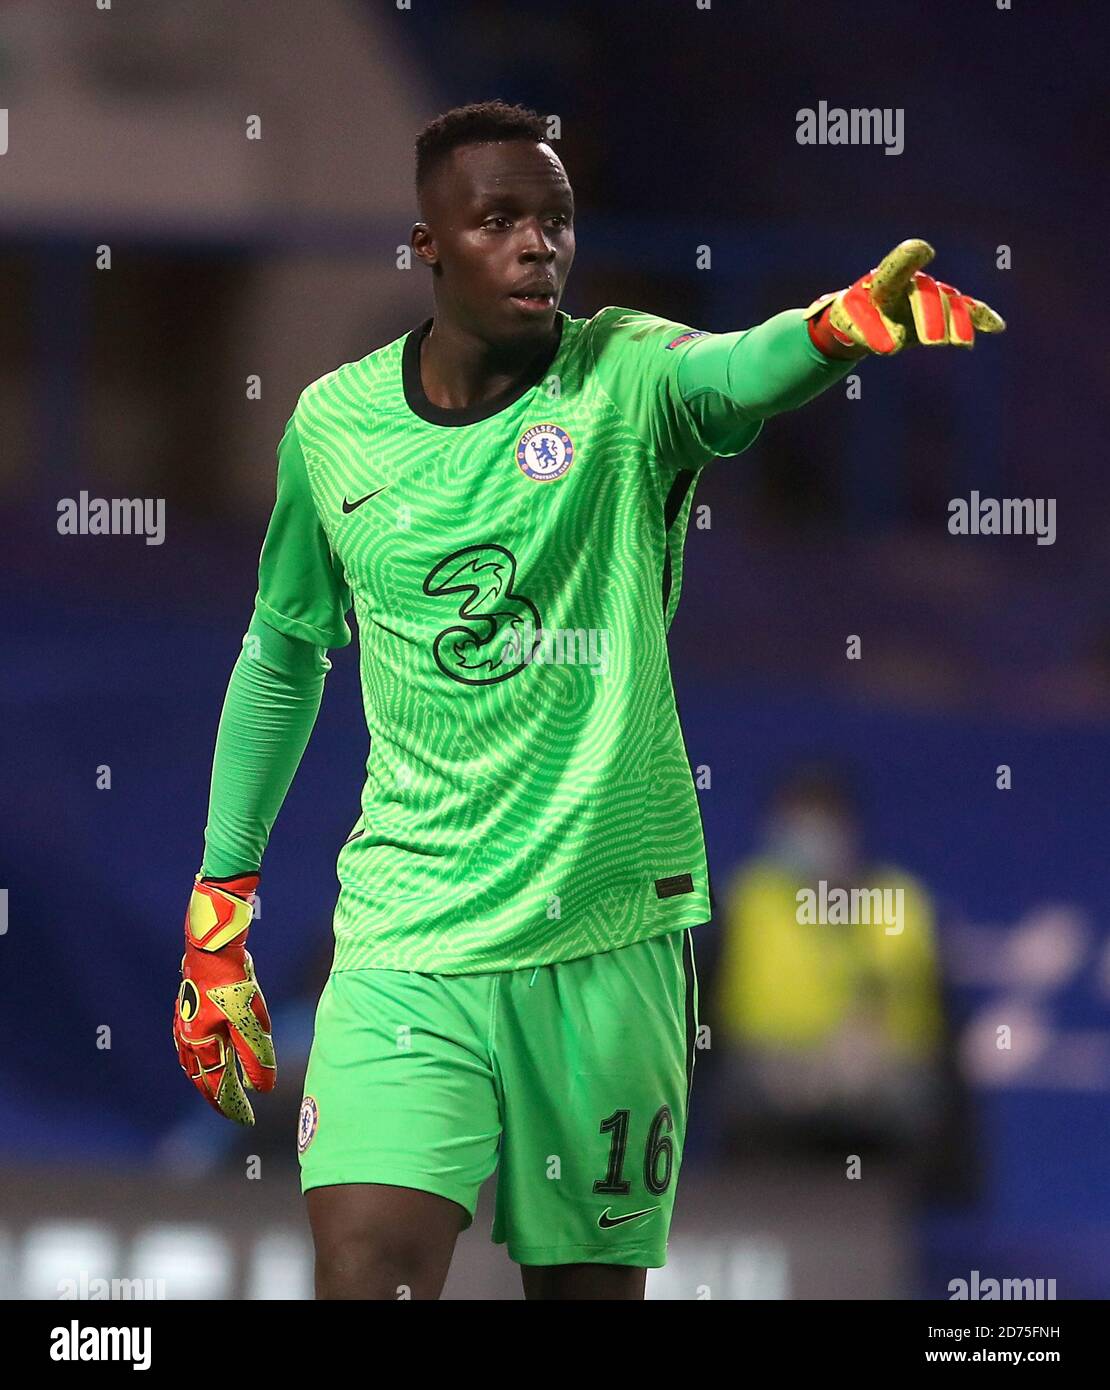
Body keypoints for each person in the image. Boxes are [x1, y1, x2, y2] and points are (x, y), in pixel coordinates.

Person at [171, 100, 1004, 1300]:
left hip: (609, 938)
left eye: (555, 221)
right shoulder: (334, 427)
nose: (536, 245)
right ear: (427, 244)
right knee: (366, 1266)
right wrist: (222, 901)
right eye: (498, 220)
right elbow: (283, 654)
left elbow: (737, 369)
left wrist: (838, 330)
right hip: (409, 938)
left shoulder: (625, 375)